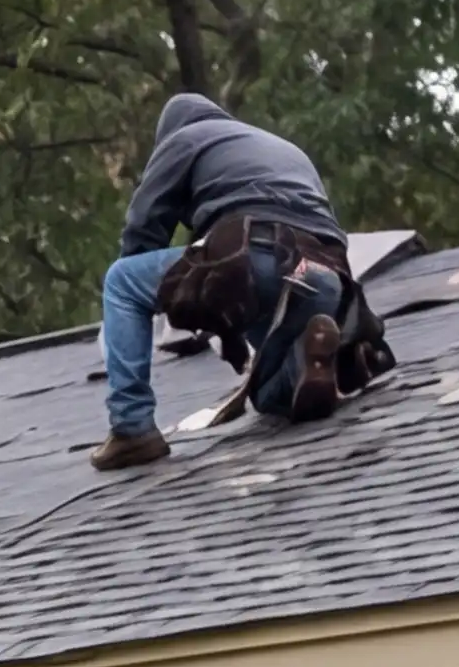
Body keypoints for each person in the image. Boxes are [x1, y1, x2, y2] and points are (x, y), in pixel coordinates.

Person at [90, 91, 357, 470]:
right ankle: (307, 364)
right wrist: (222, 324)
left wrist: (154, 304)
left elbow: (144, 231)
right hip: (327, 278)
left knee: (121, 281)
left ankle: (132, 428)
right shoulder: (279, 147)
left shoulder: (184, 139)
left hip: (259, 256)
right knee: (268, 395)